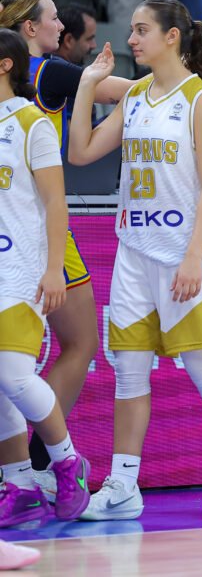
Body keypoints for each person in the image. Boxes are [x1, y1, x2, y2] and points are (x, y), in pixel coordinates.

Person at [68, 0, 202, 521]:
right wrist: (87, 86)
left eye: (141, 29)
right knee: (129, 372)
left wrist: (194, 257)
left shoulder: (199, 99)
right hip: (134, 252)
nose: (131, 39)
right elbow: (80, 151)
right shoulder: (136, 96)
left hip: (183, 253)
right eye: (131, 29)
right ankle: (124, 485)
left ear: (172, 37)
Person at [0, 0, 130, 499]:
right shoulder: (47, 73)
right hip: (35, 229)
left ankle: (22, 473)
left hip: (14, 230)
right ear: (29, 29)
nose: (61, 27)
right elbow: (122, 92)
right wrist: (173, 80)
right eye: (53, 19)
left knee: (11, 369)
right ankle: (45, 462)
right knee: (78, 345)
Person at [0, 27, 91, 529]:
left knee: (13, 373)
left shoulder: (31, 122)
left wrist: (55, 268)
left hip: (21, 269)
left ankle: (67, 462)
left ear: (5, 65)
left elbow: (57, 202)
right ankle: (20, 486)